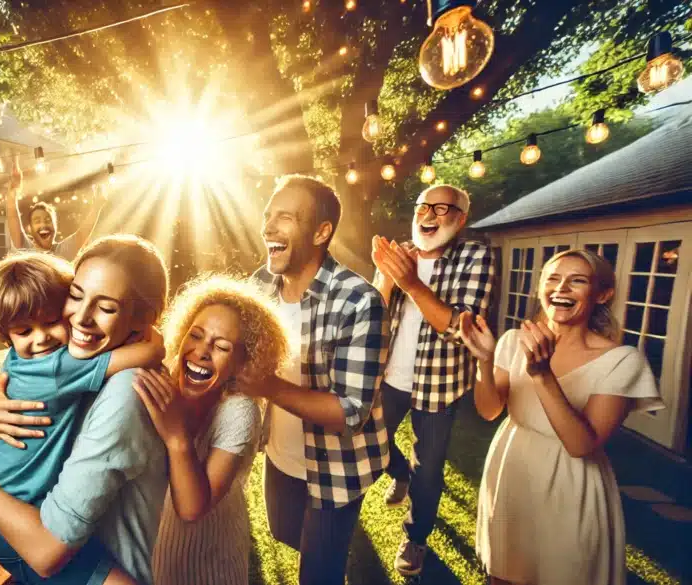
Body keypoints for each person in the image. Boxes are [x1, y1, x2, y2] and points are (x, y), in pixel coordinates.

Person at [0, 235, 170, 585]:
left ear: (143, 317)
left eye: (106, 307)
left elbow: (48, 554)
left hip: (30, 533)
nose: (80, 318)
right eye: (75, 296)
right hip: (18, 524)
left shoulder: (123, 390)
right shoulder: (67, 363)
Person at [459, 249, 662, 585]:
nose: (561, 288)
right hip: (512, 469)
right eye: (553, 279)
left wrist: (542, 375)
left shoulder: (622, 361)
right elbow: (489, 410)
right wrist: (484, 359)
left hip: (572, 484)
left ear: (602, 295)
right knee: (504, 576)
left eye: (577, 281)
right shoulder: (514, 340)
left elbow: (581, 444)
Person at [248, 175, 388, 585]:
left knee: (318, 575)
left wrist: (267, 386)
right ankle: (327, 549)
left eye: (285, 217)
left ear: (321, 232)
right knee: (283, 531)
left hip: (338, 466)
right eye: (268, 216)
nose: (268, 227)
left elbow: (350, 413)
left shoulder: (360, 301)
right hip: (281, 455)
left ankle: (329, 557)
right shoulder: (259, 286)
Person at [132, 275, 290, 585]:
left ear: (243, 363)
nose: (202, 352)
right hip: (147, 557)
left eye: (221, 347)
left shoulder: (239, 412)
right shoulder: (159, 378)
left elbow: (192, 508)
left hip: (208, 564)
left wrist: (177, 438)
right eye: (196, 335)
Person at [370, 184, 495, 576]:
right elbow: (373, 314)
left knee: (430, 468)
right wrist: (388, 278)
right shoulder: (401, 254)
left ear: (461, 219)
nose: (429, 214)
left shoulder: (476, 256)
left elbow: (462, 329)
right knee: (371, 443)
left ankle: (416, 537)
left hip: (439, 384)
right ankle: (399, 474)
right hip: (389, 375)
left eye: (443, 209)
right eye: (424, 206)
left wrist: (411, 283)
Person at [3, 155, 108, 260]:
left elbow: (81, 234)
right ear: (30, 229)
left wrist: (97, 206)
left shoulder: (62, 251)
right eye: (37, 221)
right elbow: (13, 217)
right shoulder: (25, 249)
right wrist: (13, 192)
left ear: (55, 226)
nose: (43, 224)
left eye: (48, 220)